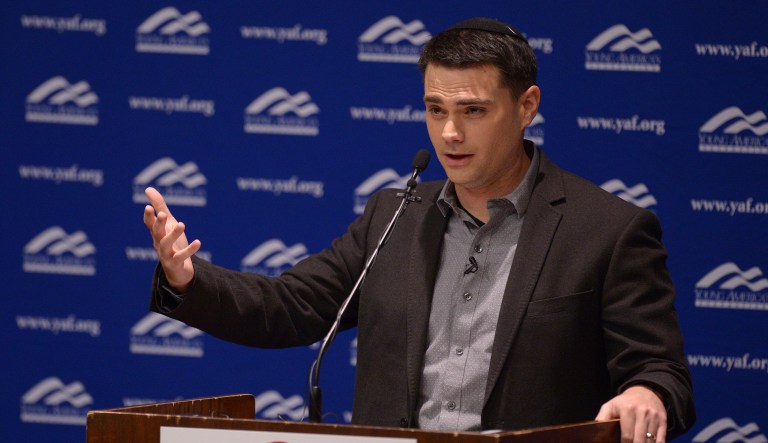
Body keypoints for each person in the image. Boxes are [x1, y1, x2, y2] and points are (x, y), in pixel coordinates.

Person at [143, 17, 695, 443]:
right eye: (434, 109)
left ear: (527, 106)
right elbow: (290, 305)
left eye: (473, 111)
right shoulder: (395, 215)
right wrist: (187, 278)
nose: (449, 133)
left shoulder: (608, 229)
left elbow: (661, 372)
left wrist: (647, 392)